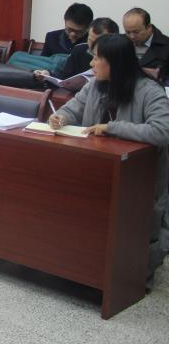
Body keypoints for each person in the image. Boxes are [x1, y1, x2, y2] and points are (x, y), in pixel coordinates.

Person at [49, 34, 169, 287]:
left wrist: (112, 128)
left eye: (97, 58)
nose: (91, 64)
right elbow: (72, 109)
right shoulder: (94, 85)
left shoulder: (150, 90)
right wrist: (60, 117)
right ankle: (80, 267)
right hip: (96, 169)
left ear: (115, 62)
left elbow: (162, 131)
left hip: (137, 178)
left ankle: (128, 275)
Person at [34, 17, 118, 85]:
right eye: (90, 40)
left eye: (97, 42)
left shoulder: (118, 55)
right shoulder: (79, 50)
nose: (92, 46)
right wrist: (48, 75)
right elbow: (65, 78)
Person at [123, 8, 169, 81]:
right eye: (128, 32)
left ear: (149, 27)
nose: (132, 36)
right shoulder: (121, 43)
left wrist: (160, 76)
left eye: (136, 32)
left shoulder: (166, 45)